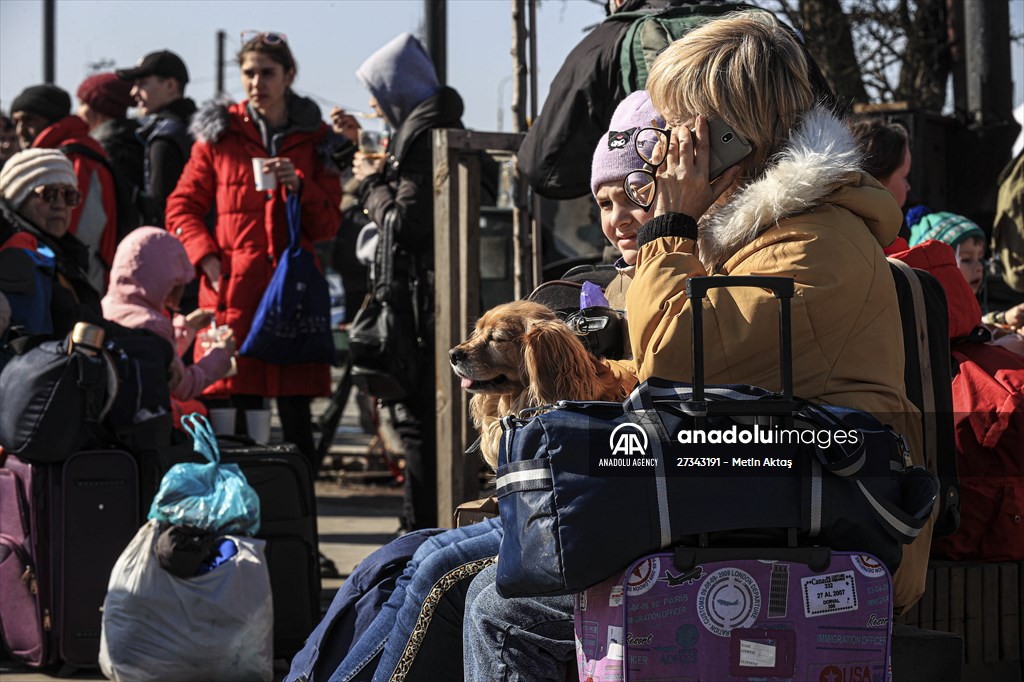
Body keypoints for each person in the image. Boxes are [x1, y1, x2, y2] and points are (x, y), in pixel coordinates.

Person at [465, 14, 929, 680]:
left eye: (676, 128)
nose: (659, 150)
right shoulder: (760, 232)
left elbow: (677, 362)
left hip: (818, 537)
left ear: (733, 134)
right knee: (455, 572)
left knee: (494, 603)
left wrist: (669, 224)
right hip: (756, 500)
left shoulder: (810, 244)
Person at [290, 91, 654, 682]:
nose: (616, 219)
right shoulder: (608, 282)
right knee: (394, 559)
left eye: (634, 198)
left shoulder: (667, 285)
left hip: (587, 513)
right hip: (554, 504)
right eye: (605, 203)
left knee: (440, 574)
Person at [165, 31, 342, 464]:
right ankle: (236, 519)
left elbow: (328, 224)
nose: (256, 82)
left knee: (295, 411)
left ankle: (298, 518)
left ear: (289, 76)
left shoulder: (316, 138)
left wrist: (300, 186)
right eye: (248, 73)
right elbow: (181, 205)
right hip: (229, 291)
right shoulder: (219, 135)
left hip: (290, 294)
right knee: (230, 412)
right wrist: (205, 256)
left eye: (267, 72)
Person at [350, 32, 470, 530]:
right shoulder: (426, 131)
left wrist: (368, 185)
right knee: (417, 425)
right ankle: (415, 527)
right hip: (426, 301)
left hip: (424, 309)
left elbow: (406, 221)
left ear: (396, 92)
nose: (375, 109)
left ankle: (419, 532)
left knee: (420, 426)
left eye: (377, 96)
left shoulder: (423, 137)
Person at [100, 227, 235, 405]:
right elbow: (184, 386)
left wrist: (187, 328)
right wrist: (221, 355)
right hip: (145, 419)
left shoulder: (106, 307)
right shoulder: (152, 323)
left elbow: (158, 359)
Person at [10, 84, 118, 293]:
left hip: (78, 284)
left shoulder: (73, 158)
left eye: (29, 120)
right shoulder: (69, 153)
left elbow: (74, 234)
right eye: (16, 122)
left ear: (51, 119)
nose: (20, 130)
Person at [0, 148, 106, 336]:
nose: (59, 204)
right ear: (18, 200)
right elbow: (73, 319)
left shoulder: (62, 253)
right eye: (48, 194)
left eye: (69, 196)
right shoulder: (19, 252)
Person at [116, 50, 198, 227]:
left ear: (170, 85)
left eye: (142, 83)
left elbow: (159, 208)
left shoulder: (166, 138)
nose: (133, 92)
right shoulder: (199, 128)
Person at [77, 72, 145, 236]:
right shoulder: (136, 140)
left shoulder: (104, 149)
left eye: (81, 103)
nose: (78, 112)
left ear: (96, 108)